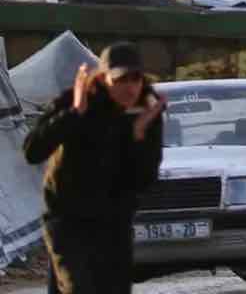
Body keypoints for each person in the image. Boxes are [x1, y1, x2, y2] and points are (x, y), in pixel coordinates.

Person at [24, 43, 165, 294]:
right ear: (103, 78)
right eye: (121, 79)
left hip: (114, 225)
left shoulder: (146, 112)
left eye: (136, 78)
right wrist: (74, 114)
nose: (130, 87)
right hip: (68, 221)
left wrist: (138, 135)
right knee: (80, 289)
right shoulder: (76, 100)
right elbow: (32, 151)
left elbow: (144, 180)